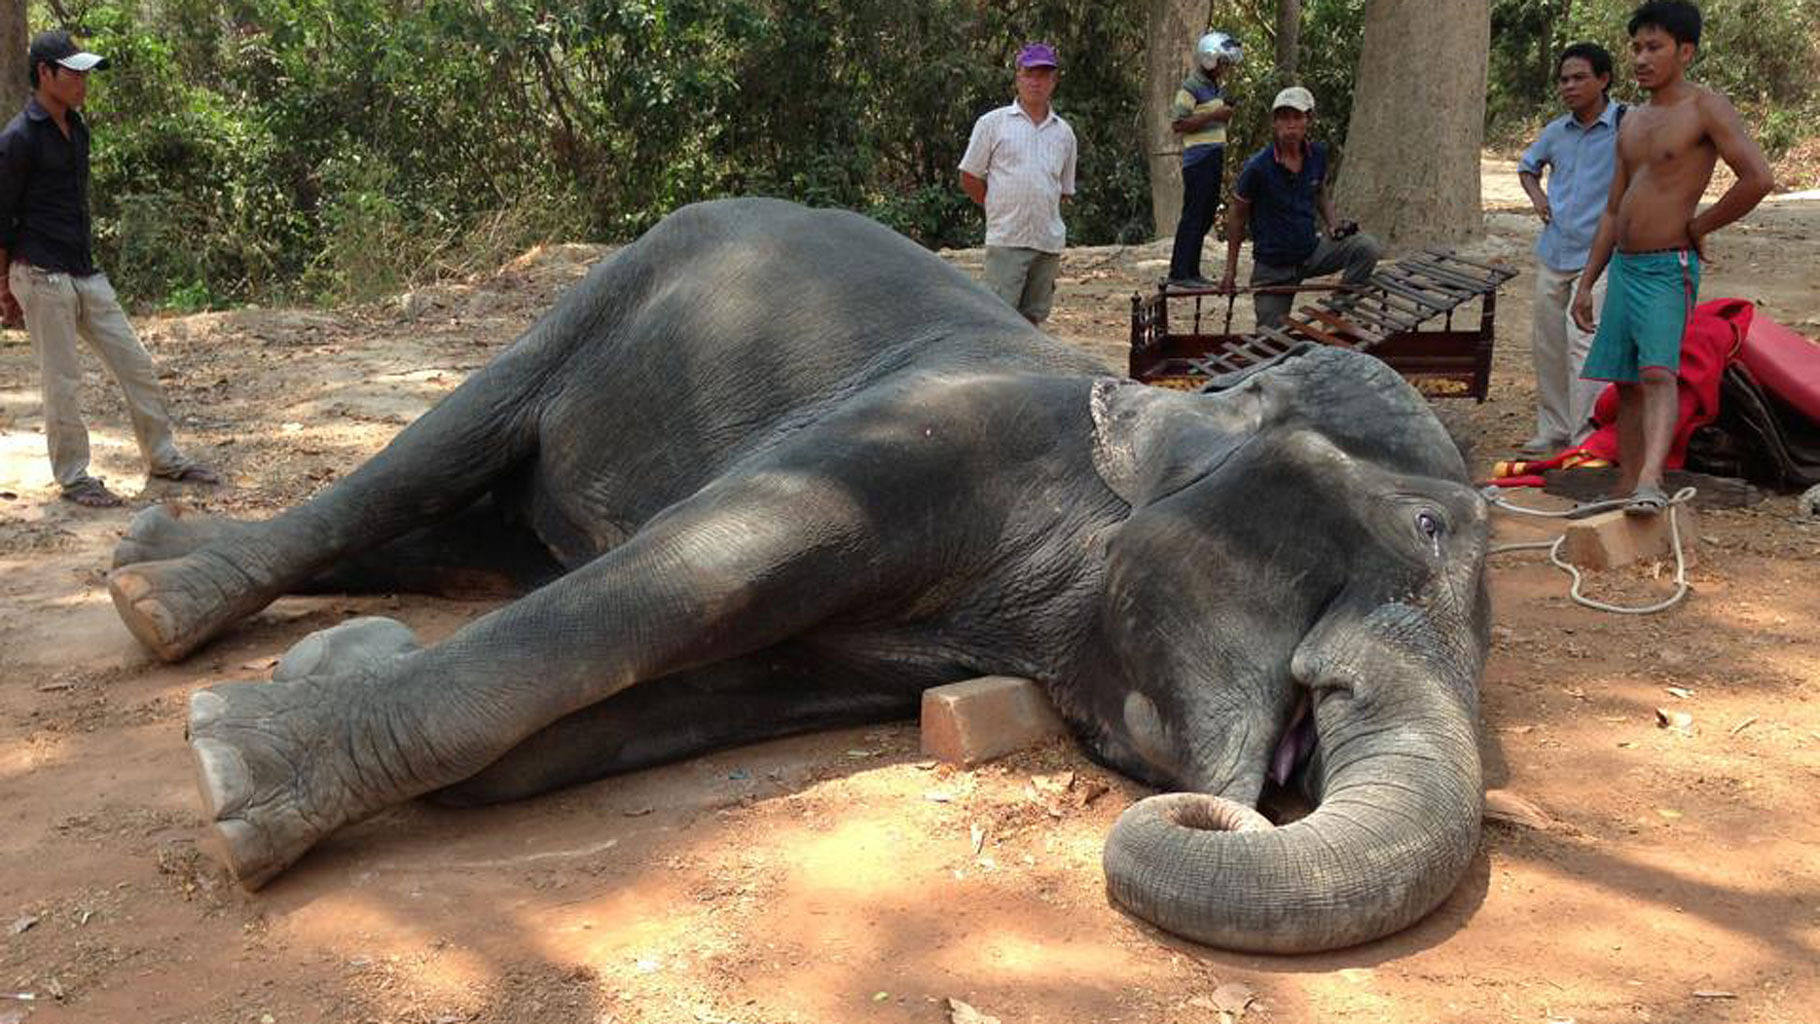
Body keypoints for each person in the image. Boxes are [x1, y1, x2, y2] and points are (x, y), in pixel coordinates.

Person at [0, 29, 219, 508]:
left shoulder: (78, 129)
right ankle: (75, 477)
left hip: (82, 270)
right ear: (44, 74)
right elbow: (2, 217)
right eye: (73, 72)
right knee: (62, 380)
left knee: (135, 363)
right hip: (38, 272)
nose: (83, 81)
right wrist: (5, 287)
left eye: (85, 72)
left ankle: (163, 457)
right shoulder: (17, 139)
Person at [1570, 1, 1772, 515]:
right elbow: (1613, 210)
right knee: (1627, 381)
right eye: (1636, 47)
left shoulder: (1706, 108)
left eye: (1654, 47)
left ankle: (1651, 483)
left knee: (1659, 373)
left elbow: (1758, 178)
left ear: (1686, 51)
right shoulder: (1632, 120)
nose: (1641, 58)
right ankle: (1625, 490)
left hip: (1668, 266)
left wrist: (1700, 225)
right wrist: (1588, 280)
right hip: (1626, 266)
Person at [1515, 43, 1624, 456]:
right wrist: (1537, 197)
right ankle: (1554, 429)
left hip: (1599, 258)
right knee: (1548, 344)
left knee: (1583, 344)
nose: (1570, 86)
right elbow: (1528, 168)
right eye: (1564, 79)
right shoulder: (1555, 131)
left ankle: (1585, 438)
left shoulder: (1626, 126)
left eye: (1580, 77)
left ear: (1604, 79)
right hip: (1554, 251)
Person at [1218, 87, 1380, 329]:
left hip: (1310, 251)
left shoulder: (1317, 155)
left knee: (1366, 248)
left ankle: (1336, 314)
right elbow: (1237, 216)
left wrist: (1333, 224)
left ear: (1309, 120)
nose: (1290, 125)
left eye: (1297, 117)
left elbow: (1320, 191)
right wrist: (1230, 270)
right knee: (1269, 341)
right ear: (1275, 123)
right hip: (1273, 266)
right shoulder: (1257, 167)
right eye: (1284, 118)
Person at [959, 42, 1078, 325]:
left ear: (1054, 81)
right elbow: (970, 176)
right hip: (1007, 237)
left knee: (1033, 318)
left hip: (1047, 241)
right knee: (997, 318)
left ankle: (1026, 370)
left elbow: (1063, 190)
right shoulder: (992, 124)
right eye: (1029, 74)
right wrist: (996, 206)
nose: (1035, 82)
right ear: (1018, 77)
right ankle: (993, 370)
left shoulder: (1064, 134)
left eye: (1043, 75)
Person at [1165, 31, 1242, 289]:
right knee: (1194, 213)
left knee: (1206, 213)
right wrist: (1214, 115)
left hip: (1213, 154)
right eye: (1222, 62)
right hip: (1198, 159)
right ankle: (1179, 272)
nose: (1225, 68)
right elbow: (1178, 123)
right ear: (1210, 59)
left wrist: (1222, 115)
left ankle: (1192, 270)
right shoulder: (1192, 86)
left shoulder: (1213, 86)